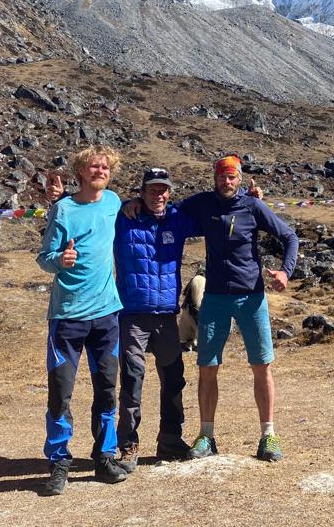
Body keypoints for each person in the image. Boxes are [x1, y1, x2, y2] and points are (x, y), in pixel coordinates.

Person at [124, 155, 298, 462]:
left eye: (232, 177)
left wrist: (286, 271)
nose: (226, 182)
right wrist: (133, 202)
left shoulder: (254, 207)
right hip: (215, 297)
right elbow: (166, 207)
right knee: (207, 367)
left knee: (261, 365)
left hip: (251, 297)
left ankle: (268, 435)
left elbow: (288, 236)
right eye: (222, 177)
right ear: (215, 178)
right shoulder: (203, 203)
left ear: (240, 179)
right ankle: (206, 435)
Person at [36, 145, 128, 495]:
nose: (100, 171)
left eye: (105, 167)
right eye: (93, 167)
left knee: (107, 390)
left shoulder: (114, 202)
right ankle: (59, 462)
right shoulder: (63, 209)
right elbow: (44, 258)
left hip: (106, 315)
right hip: (68, 316)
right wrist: (61, 259)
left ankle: (104, 456)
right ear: (80, 171)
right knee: (60, 393)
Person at [111, 167, 199, 473]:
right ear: (142, 192)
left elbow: (214, 210)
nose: (158, 195)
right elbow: (94, 202)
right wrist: (125, 202)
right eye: (152, 190)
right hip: (132, 314)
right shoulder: (124, 218)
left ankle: (171, 439)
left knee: (174, 379)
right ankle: (127, 444)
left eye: (163, 190)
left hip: (166, 316)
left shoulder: (177, 218)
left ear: (169, 192)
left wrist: (250, 199)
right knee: (132, 380)